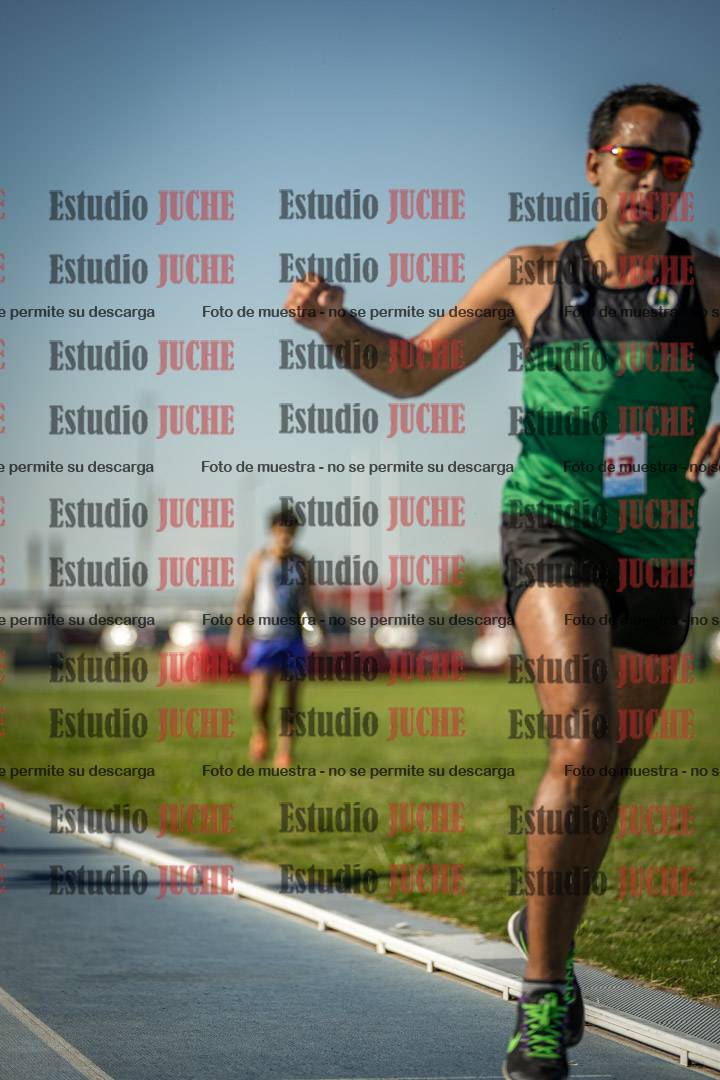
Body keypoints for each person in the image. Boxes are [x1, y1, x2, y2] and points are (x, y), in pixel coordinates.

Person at [282, 83, 720, 1079]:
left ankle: (542, 918)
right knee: (583, 744)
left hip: (660, 544)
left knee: (607, 775)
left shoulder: (707, 284)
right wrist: (337, 328)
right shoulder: (531, 275)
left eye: (674, 164)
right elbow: (412, 368)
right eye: (636, 157)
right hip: (551, 527)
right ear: (595, 164)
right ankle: (542, 993)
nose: (652, 179)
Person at [226, 507, 321, 769]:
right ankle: (261, 731)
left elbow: (309, 601)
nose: (286, 537)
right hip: (264, 638)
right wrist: (237, 634)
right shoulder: (259, 560)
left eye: (291, 532)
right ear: (272, 532)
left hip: (294, 638)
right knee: (261, 699)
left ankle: (285, 750)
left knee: (291, 698)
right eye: (281, 531)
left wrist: (319, 631)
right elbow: (246, 598)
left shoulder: (302, 562)